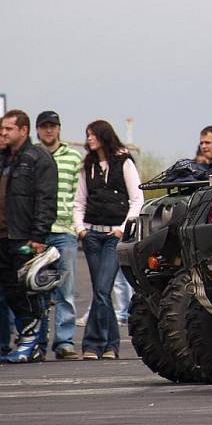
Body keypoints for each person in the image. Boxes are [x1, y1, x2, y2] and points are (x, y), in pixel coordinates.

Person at [73, 120, 143, 360]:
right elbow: (79, 201)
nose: (89, 139)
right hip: (92, 235)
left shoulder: (124, 164)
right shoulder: (88, 166)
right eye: (87, 134)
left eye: (92, 134)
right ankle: (104, 346)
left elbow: (137, 199)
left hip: (113, 236)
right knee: (99, 291)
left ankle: (97, 343)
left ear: (104, 136)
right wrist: (80, 229)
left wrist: (123, 229)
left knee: (102, 290)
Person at [0, 110, 57, 363]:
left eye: (8, 129)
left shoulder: (38, 158)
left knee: (28, 293)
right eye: (1, 129)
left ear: (23, 130)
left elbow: (46, 200)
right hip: (4, 236)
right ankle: (22, 342)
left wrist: (38, 235)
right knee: (10, 292)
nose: (3, 133)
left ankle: (33, 345)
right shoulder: (5, 159)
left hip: (23, 237)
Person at [34, 111, 83, 360]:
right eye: (44, 127)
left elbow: (79, 196)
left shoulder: (74, 158)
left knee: (65, 290)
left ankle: (64, 342)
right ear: (37, 130)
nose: (49, 131)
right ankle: (38, 342)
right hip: (39, 233)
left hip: (65, 231)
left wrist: (78, 226)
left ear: (59, 129)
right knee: (38, 290)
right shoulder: (31, 156)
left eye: (52, 126)